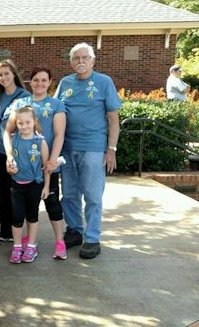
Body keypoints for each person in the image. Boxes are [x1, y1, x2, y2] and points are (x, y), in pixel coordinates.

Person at [54, 42, 122, 259]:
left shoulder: (104, 82)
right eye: (76, 58)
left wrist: (111, 149)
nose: (80, 62)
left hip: (93, 149)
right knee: (70, 195)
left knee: (93, 196)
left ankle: (92, 239)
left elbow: (113, 120)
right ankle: (74, 230)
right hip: (66, 148)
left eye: (85, 58)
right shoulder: (65, 83)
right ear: (71, 61)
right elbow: (54, 113)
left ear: (93, 60)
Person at [3, 66, 67, 260]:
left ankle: (59, 241)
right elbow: (7, 132)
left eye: (44, 80)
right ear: (31, 82)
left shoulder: (56, 104)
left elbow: (59, 134)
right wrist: (9, 156)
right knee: (24, 207)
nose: (40, 83)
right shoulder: (21, 103)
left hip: (46, 162)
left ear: (49, 82)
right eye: (36, 80)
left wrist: (51, 160)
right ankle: (29, 242)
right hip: (22, 166)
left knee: (52, 202)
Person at [0, 59, 30, 242]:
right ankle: (5, 229)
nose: (3, 77)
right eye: (0, 75)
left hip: (18, 151)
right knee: (4, 190)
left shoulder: (24, 96)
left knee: (18, 190)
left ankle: (19, 228)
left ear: (13, 73)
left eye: (6, 73)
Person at [4, 106, 50, 263]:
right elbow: (10, 161)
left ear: (34, 121)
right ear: (16, 124)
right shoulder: (14, 139)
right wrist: (11, 167)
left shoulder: (40, 142)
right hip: (17, 185)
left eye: (28, 122)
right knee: (17, 217)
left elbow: (46, 167)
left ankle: (31, 246)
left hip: (35, 185)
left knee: (32, 216)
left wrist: (46, 187)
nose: (24, 126)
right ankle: (17, 247)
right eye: (20, 123)